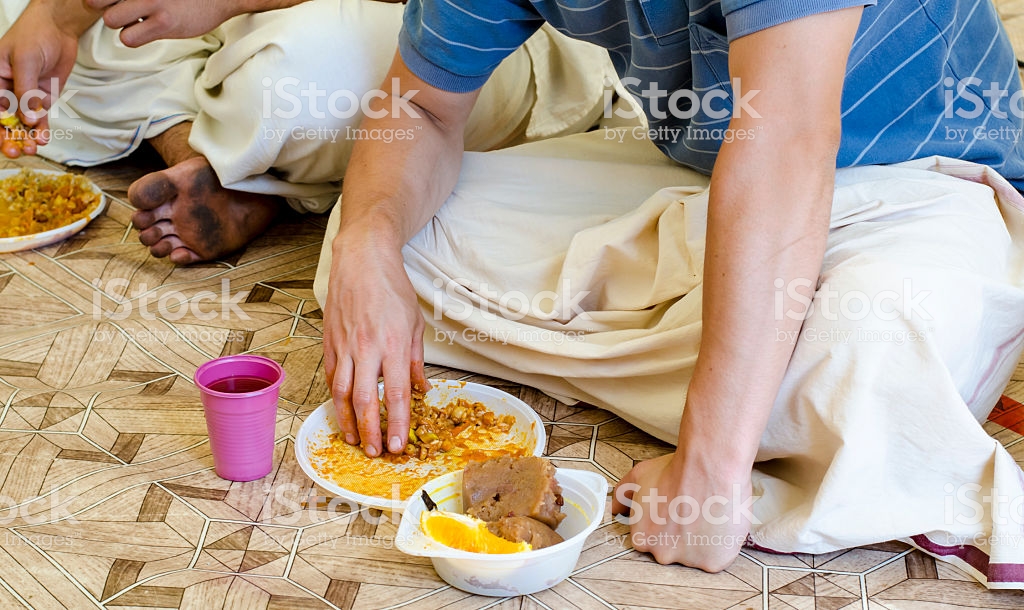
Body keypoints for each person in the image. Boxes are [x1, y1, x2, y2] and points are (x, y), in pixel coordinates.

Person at [319, 0, 1024, 576]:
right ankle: (764, 403)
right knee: (382, 248)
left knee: (871, 341)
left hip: (922, 183)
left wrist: (707, 469)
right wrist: (369, 244)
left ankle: (739, 407)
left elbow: (787, 142)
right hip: (716, 181)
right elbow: (418, 108)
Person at [0, 0, 615, 262]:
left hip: (456, 38)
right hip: (231, 24)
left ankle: (257, 169)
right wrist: (54, 18)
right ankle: (209, 161)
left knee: (294, 77)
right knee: (33, 19)